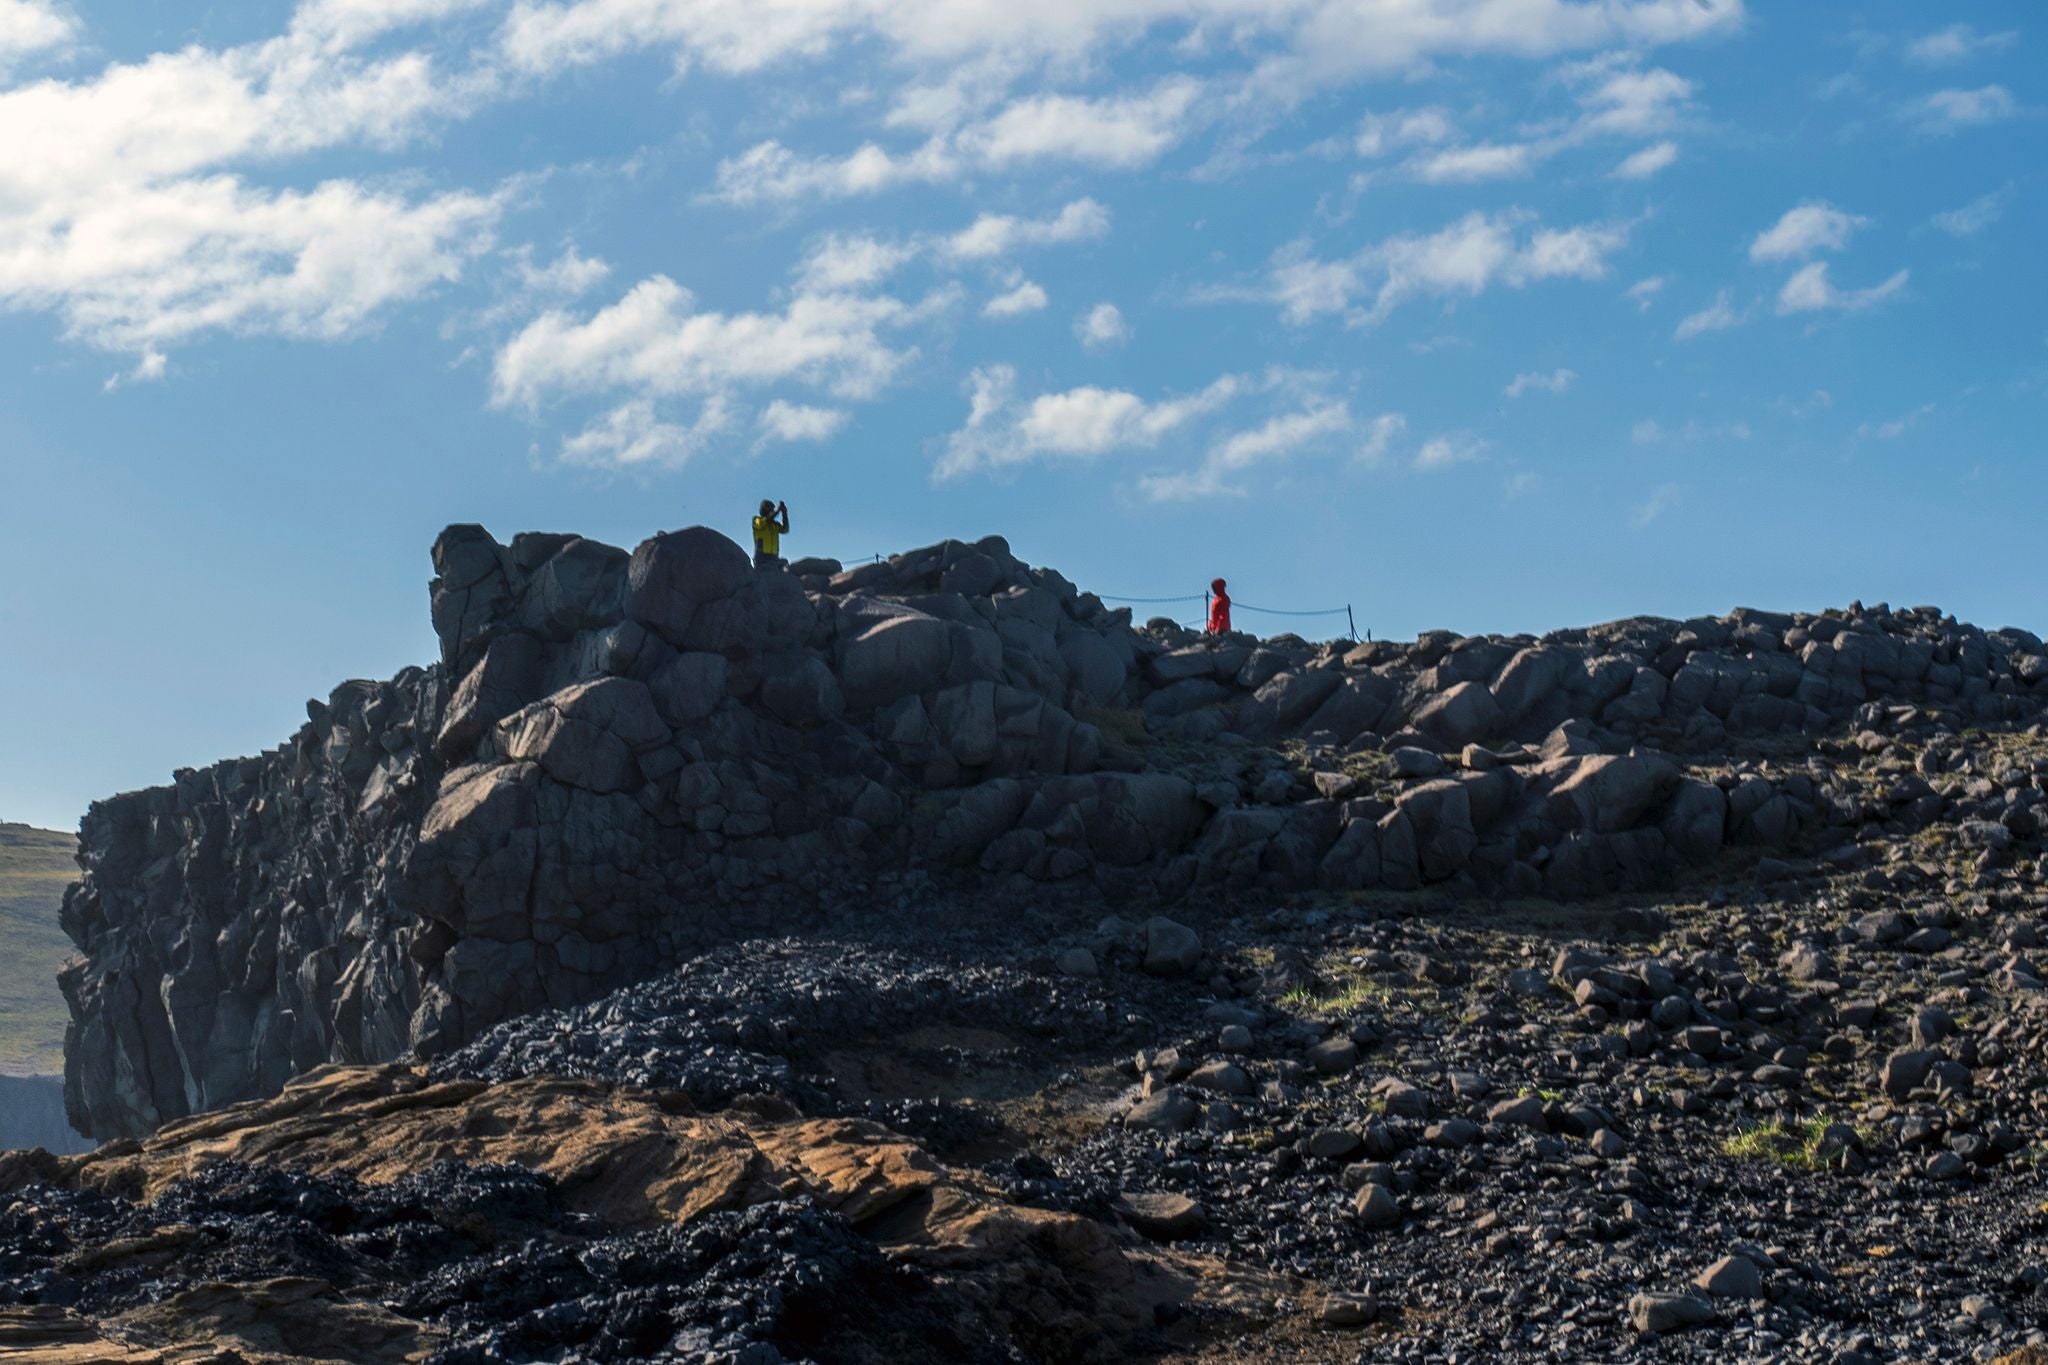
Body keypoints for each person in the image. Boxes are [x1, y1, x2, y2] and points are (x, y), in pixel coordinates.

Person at [751, 499, 790, 569]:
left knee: (784, 564)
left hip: (774, 557)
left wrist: (784, 514)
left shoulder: (774, 525)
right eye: (770, 509)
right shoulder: (756, 520)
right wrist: (777, 511)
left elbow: (785, 529)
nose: (772, 511)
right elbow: (764, 522)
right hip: (761, 557)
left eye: (772, 509)